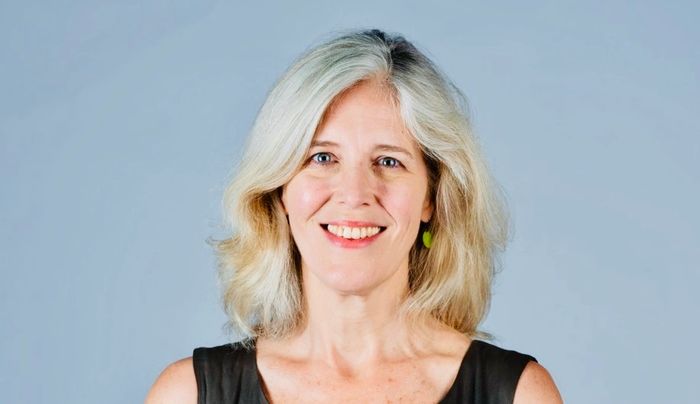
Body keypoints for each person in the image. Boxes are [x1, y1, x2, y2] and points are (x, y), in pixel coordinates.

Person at [146, 29, 563, 404]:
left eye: (388, 161)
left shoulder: (519, 395)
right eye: (322, 157)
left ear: (431, 197)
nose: (355, 194)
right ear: (281, 190)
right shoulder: (186, 396)